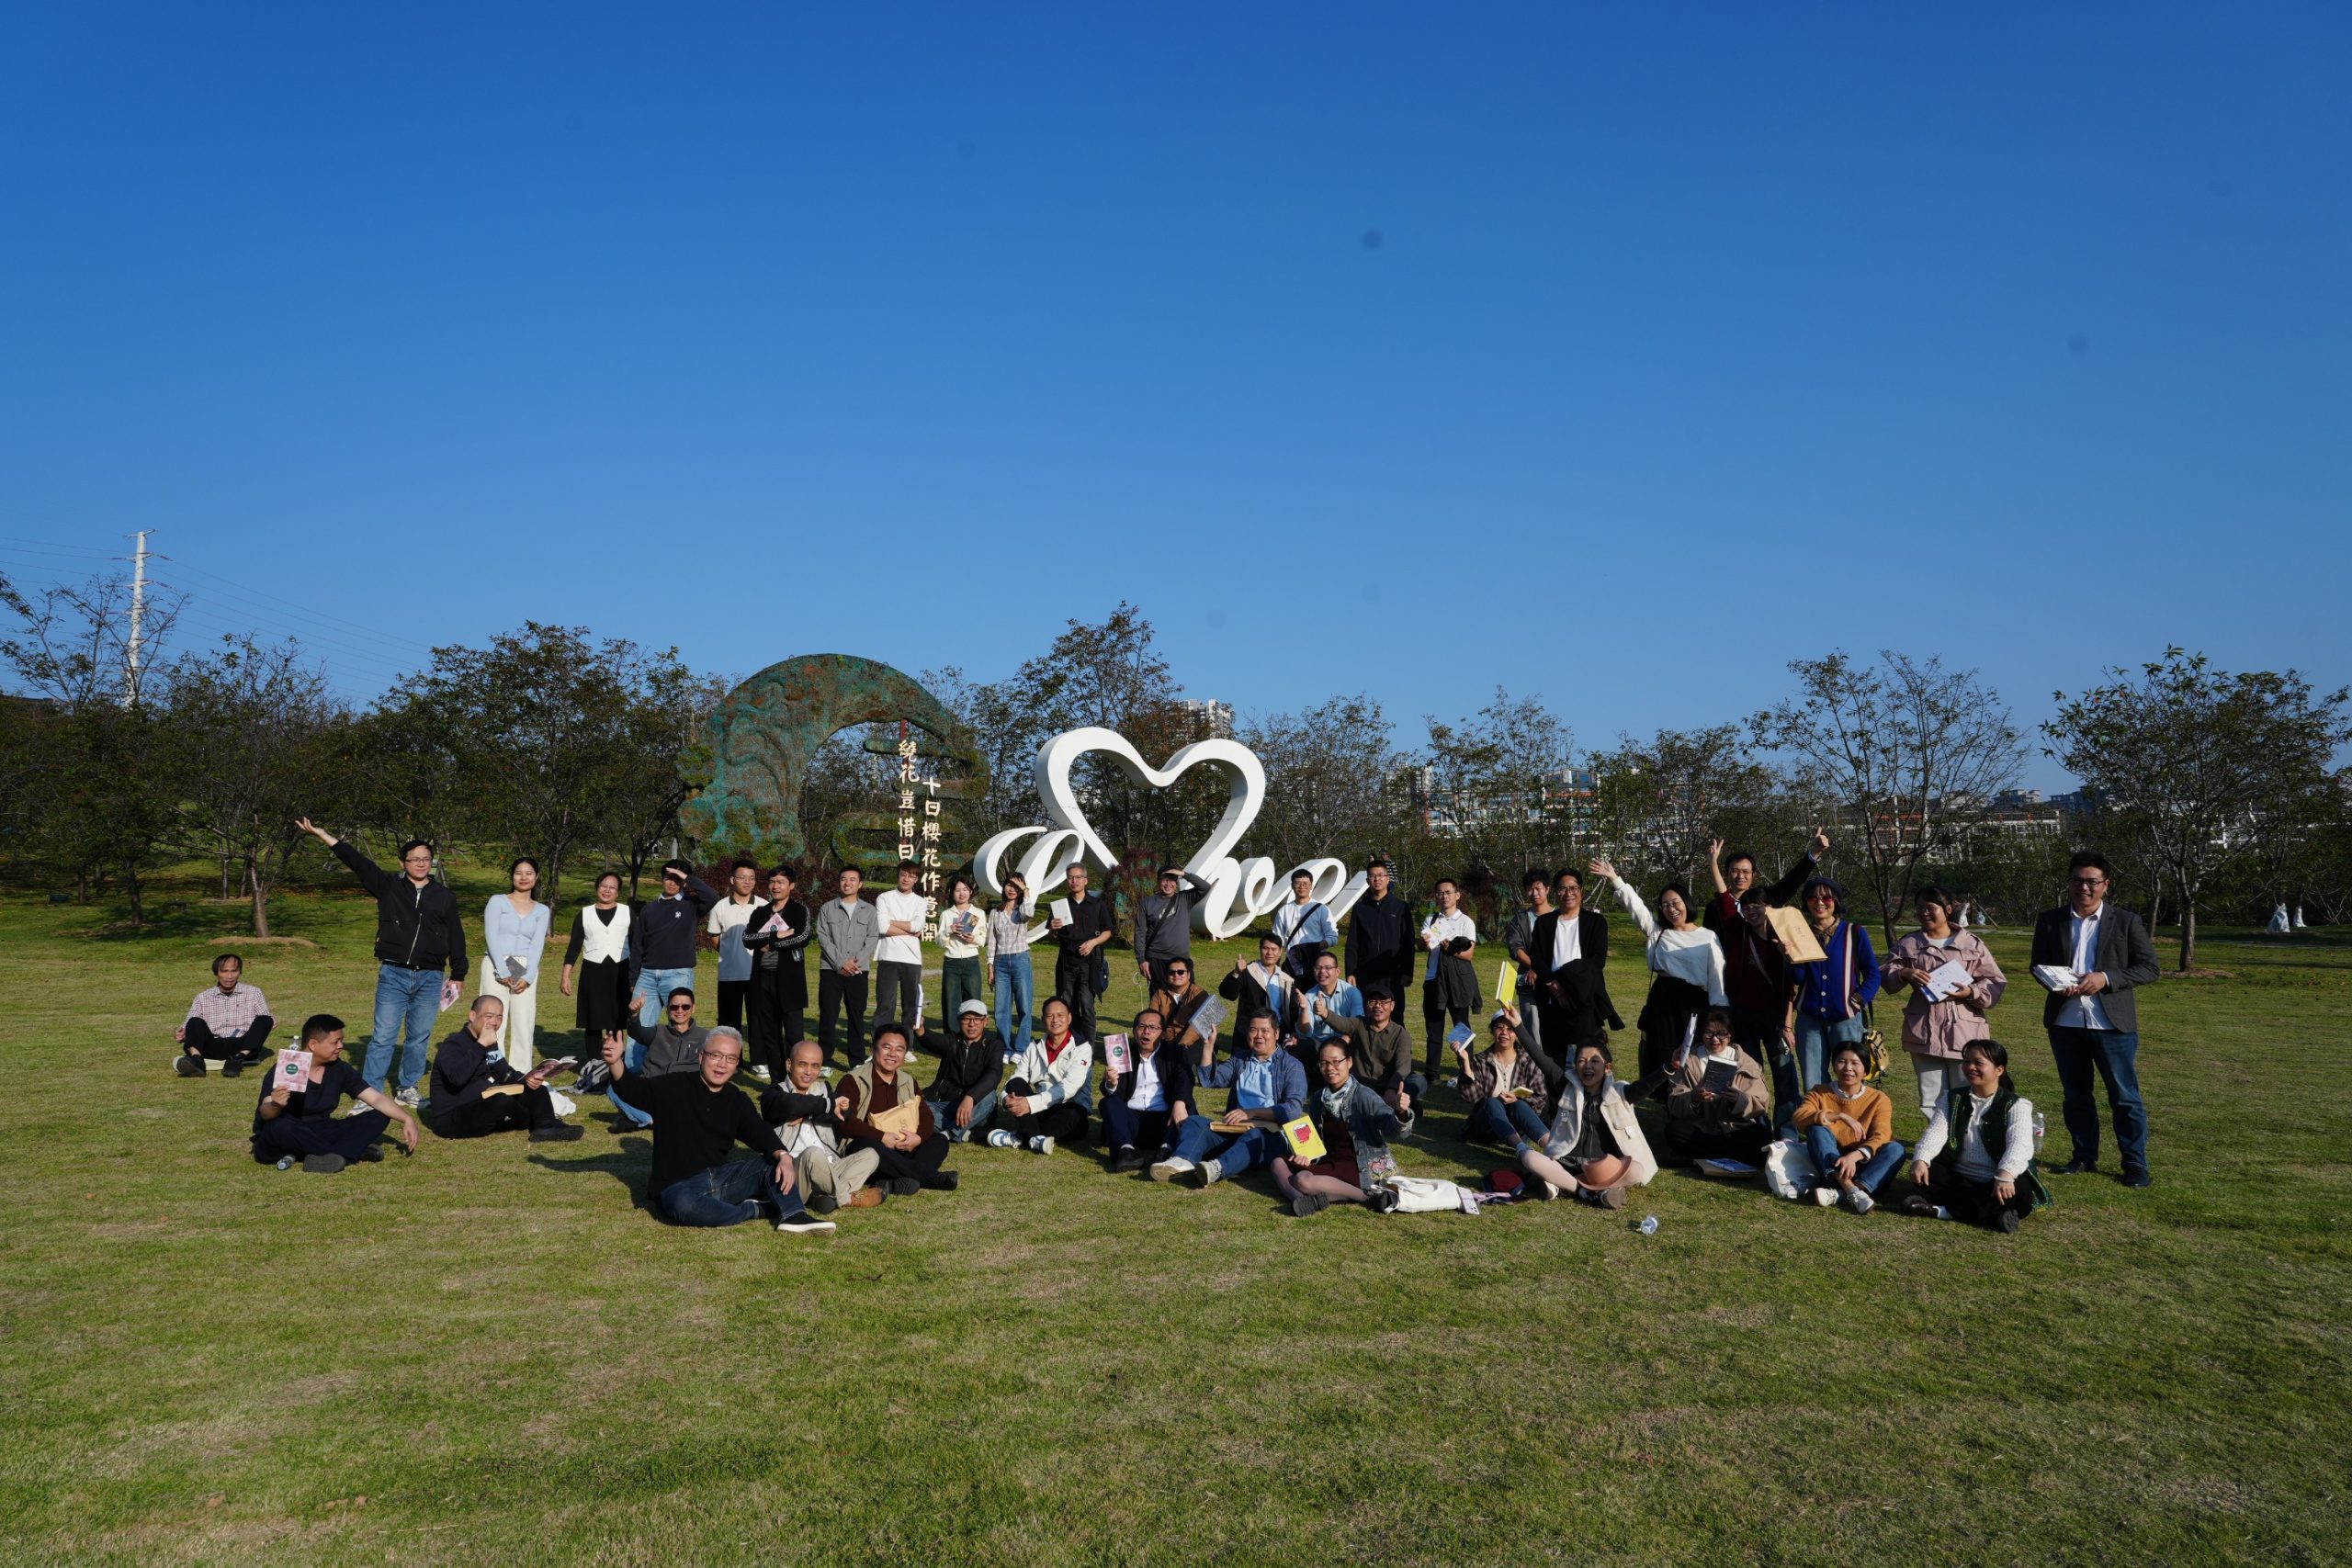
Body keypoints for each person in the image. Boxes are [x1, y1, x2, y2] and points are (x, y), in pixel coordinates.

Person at [296, 818, 468, 1106]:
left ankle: (407, 1087)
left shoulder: (444, 897)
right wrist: (324, 835)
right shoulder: (388, 887)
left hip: (430, 976)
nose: (421, 864)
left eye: (426, 859)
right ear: (403, 863)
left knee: (419, 1037)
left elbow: (456, 935)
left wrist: (458, 973)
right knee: (383, 1036)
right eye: (414, 859)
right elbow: (358, 862)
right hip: (394, 974)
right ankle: (370, 1093)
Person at [598, 1025, 834, 1234]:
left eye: (730, 1058)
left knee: (773, 1163)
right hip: (677, 1186)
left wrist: (783, 1155)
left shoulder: (736, 1100)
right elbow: (633, 1090)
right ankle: (755, 1210)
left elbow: (760, 1132)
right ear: (701, 1056)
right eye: (716, 1055)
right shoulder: (674, 1086)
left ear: (736, 1064)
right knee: (682, 1204)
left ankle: (794, 1215)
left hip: (721, 1179)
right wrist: (615, 1062)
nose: (722, 1064)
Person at [2031, 851, 2160, 1187]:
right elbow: (2037, 965)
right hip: (2066, 1022)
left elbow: (2149, 968)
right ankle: (2084, 1156)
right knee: (2076, 1096)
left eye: (2092, 882)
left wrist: (2105, 978)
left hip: (2112, 1025)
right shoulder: (2051, 920)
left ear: (2105, 885)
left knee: (2124, 1097)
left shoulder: (2126, 921)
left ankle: (2135, 1165)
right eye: (2077, 880)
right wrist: (2054, 982)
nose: (2084, 888)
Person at [1593, 859, 1727, 1095]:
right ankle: (1666, 1099)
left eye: (1675, 903)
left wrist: (1720, 1012)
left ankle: (1692, 1098)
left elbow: (1717, 975)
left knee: (1693, 1052)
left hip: (1693, 1004)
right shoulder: (1659, 932)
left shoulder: (1707, 936)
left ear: (1686, 902)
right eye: (1665, 905)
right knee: (1663, 1052)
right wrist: (1615, 878)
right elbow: (1636, 909)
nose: (1671, 909)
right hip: (1662, 1001)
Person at [1881, 886, 2007, 1122]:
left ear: (1948, 909)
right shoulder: (1909, 944)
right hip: (1923, 1032)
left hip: (1965, 1033)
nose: (1924, 913)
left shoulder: (1971, 943)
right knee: (1931, 1099)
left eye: (1931, 908)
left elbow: (1994, 982)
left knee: (1968, 1094)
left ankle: (1966, 1141)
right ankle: (1938, 1142)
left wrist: (1970, 992)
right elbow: (1886, 975)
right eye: (1919, 908)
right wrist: (1904, 973)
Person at [1704, 832, 1826, 1058]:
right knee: (1748, 1061)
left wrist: (1814, 853)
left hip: (1772, 1002)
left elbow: (1793, 880)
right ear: (1727, 873)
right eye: (1735, 871)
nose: (1740, 876)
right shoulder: (1719, 910)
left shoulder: (1767, 899)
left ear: (1754, 875)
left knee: (1781, 1065)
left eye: (1746, 871)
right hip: (1737, 994)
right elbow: (1711, 941)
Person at [1900, 1040, 2043, 1232]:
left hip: (1997, 1180)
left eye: (1978, 1063)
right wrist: (1921, 1159)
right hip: (1960, 1177)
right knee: (1926, 1172)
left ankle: (1942, 1211)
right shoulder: (1952, 1098)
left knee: (2020, 1188)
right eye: (1967, 1062)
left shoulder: (2017, 1105)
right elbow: (1935, 1132)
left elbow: (2020, 1145)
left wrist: (2005, 1174)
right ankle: (1994, 1215)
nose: (1970, 1067)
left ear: (1999, 1070)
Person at [251, 1013, 421, 1172]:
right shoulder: (288, 1067)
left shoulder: (339, 1069)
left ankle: (326, 1156)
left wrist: (407, 1119)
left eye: (341, 1041)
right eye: (335, 1042)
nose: (341, 1046)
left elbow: (375, 1098)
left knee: (380, 1115)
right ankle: (347, 1153)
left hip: (322, 1129)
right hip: (288, 1129)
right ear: (313, 1044)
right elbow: (265, 1113)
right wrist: (275, 1105)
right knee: (280, 1128)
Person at [1152, 1012, 1306, 1187]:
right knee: (1195, 1122)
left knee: (1255, 1135)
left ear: (1276, 1034)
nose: (1258, 1036)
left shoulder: (1291, 1065)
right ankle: (1182, 1161)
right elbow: (1211, 1080)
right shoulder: (1241, 1059)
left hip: (1270, 1135)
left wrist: (1250, 1113)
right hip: (1235, 1129)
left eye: (1265, 1031)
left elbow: (1293, 1109)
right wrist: (1208, 1046)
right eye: (1253, 1030)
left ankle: (1216, 1168)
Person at [1779, 876, 1882, 1133]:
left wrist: (1859, 998)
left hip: (1845, 1016)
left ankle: (1851, 1131)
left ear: (1836, 901)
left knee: (1850, 1076)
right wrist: (1789, 957)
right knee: (1813, 1080)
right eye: (1813, 897)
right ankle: (1821, 1133)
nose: (1820, 903)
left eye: (1826, 897)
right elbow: (1798, 978)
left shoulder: (1854, 932)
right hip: (1810, 1018)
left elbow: (1872, 972)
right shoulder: (1801, 933)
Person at [1515, 1039, 1657, 1209]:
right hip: (1567, 1163)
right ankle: (1590, 1193)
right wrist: (1518, 1027)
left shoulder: (1620, 1093)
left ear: (1607, 1067)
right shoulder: (1566, 1087)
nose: (1587, 1066)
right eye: (1581, 1061)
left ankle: (1562, 1185)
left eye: (1594, 1061)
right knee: (1529, 1157)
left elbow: (1646, 1086)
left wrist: (1669, 1068)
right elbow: (1542, 1059)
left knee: (1636, 1170)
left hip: (1603, 1168)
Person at [1270, 1041, 1403, 1216]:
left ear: (1349, 1062)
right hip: (1330, 1160)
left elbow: (1392, 1129)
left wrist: (1401, 1113)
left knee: (1302, 1180)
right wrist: (1306, 1156)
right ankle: (1301, 1201)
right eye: (1324, 1063)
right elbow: (1315, 1141)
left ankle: (1368, 1197)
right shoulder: (1318, 1098)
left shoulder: (1364, 1095)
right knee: (1277, 1163)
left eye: (1335, 1062)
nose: (1329, 1068)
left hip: (1359, 1164)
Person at [426, 994, 581, 1143]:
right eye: (489, 1016)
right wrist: (481, 1045)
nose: (494, 1022)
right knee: (501, 1100)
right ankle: (530, 1120)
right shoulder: (453, 1045)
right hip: (453, 1118)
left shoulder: (489, 1042)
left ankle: (546, 1127)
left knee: (538, 1089)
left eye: (499, 1017)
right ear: (472, 1016)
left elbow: (505, 1074)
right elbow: (457, 1078)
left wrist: (528, 1080)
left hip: (481, 1104)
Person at [759, 1039, 881, 1213]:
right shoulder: (773, 1094)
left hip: (830, 1167)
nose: (809, 1071)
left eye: (815, 1066)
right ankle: (846, 1199)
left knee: (871, 1155)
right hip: (794, 1173)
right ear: (789, 1064)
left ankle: (822, 1196)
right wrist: (826, 1106)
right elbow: (793, 1105)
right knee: (813, 1154)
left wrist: (809, 1114)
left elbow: (844, 1114)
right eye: (802, 1064)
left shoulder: (824, 1089)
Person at [834, 1022, 956, 1193]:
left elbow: (926, 1116)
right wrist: (881, 1137)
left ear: (905, 1054)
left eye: (899, 1049)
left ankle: (889, 1181)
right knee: (867, 1145)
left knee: (939, 1140)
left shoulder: (908, 1081)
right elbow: (845, 1122)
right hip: (867, 1148)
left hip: (901, 1146)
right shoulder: (852, 1080)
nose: (892, 1054)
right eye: (886, 1047)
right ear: (873, 1049)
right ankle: (928, 1177)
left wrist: (918, 1138)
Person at [1526, 867, 1620, 1076]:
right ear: (1556, 892)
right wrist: (1555, 986)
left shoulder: (1595, 922)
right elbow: (1537, 958)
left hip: (1584, 996)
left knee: (1588, 1054)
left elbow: (1596, 961)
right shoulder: (1544, 923)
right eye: (1562, 889)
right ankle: (1557, 1095)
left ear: (1581, 891)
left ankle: (1590, 1092)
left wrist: (1567, 984)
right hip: (1551, 996)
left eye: (1573, 888)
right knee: (1554, 1057)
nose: (1568, 893)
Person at [1792, 1041, 1904, 1213]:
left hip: (1867, 1168)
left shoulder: (1879, 1099)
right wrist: (1839, 1116)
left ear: (1865, 1071)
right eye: (1841, 1061)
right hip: (1832, 1167)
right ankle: (1850, 1189)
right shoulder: (1819, 1092)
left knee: (1896, 1149)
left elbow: (1881, 1135)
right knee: (1817, 1130)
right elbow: (1799, 1118)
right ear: (1834, 1066)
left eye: (1855, 1063)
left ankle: (1843, 1193)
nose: (1848, 1068)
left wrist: (1854, 1156)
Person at [1661, 1010, 1773, 1168]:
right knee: (1674, 1131)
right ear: (1701, 1034)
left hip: (1733, 1128)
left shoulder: (1747, 1063)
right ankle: (1734, 1156)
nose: (1715, 1039)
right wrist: (1693, 1098)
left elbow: (1761, 1104)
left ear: (1730, 1035)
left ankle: (1696, 1157)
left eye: (1721, 1034)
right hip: (1701, 1127)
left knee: (1762, 1135)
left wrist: (1739, 1100)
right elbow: (1674, 1102)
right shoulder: (1689, 1060)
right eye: (1708, 1033)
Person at [987, 995, 1093, 1155]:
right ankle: (1035, 1139)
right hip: (1040, 1109)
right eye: (1050, 1016)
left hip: (1068, 1109)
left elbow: (1069, 1089)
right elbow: (1017, 1077)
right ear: (1043, 1020)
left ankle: (1021, 1135)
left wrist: (1029, 1103)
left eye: (1060, 1015)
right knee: (1016, 1084)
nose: (1055, 1020)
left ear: (1070, 1018)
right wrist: (1005, 1098)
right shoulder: (1034, 1046)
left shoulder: (1083, 1048)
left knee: (1074, 1113)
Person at [480, 857, 553, 1071]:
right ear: (512, 876)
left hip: (525, 969)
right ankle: (494, 1070)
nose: (523, 877)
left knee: (523, 1022)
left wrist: (528, 976)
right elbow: (491, 935)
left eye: (529, 873)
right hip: (496, 965)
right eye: (518, 873)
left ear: (536, 878)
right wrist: (502, 970)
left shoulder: (542, 910)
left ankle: (521, 1071)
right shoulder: (498, 901)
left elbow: (537, 944)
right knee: (493, 1020)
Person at [741, 866, 813, 1086]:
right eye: (772, 881)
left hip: (790, 981)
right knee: (770, 1034)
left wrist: (769, 943)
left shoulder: (799, 910)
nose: (775, 886)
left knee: (794, 1036)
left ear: (792, 885)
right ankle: (778, 1081)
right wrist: (778, 935)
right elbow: (747, 939)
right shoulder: (760, 912)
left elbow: (802, 937)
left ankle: (798, 1082)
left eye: (781, 882)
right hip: (762, 979)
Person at [1320, 983, 1427, 1129]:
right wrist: (1325, 1013)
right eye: (1373, 1002)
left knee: (1419, 1081)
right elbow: (1342, 1024)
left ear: (1392, 1006)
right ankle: (1399, 1106)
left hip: (1388, 1086)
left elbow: (1402, 1067)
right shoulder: (1358, 1023)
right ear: (1367, 1006)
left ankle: (1402, 1102)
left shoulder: (1401, 1034)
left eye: (1383, 1002)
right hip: (1361, 1086)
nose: (1377, 1006)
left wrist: (1391, 1089)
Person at [629, 857, 718, 1030]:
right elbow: (638, 946)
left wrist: (686, 876)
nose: (672, 883)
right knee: (638, 1027)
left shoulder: (691, 904)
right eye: (669, 878)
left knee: (680, 1025)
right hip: (647, 976)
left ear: (684, 882)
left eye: (677, 879)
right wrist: (633, 979)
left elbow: (712, 897)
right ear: (662, 879)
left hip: (678, 975)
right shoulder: (649, 909)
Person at [1100, 1009, 1194, 1170]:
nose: (1146, 1031)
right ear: (1134, 1031)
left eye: (1153, 1027)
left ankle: (1166, 1150)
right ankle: (1126, 1151)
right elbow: (1114, 1094)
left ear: (1162, 1033)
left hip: (1165, 1121)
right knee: (1108, 1102)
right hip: (1131, 1120)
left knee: (1186, 1104)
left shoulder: (1175, 1053)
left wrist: (1179, 1103)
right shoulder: (1122, 1052)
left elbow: (1185, 1080)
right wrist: (1111, 1083)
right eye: (1141, 1026)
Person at [605, 987, 710, 1132]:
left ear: (693, 1009)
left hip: (683, 1097)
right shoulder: (658, 1032)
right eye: (674, 1007)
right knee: (613, 1088)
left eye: (685, 1006)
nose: (680, 1011)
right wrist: (634, 1015)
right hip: (652, 1092)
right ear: (667, 1010)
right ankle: (652, 1121)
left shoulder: (706, 1037)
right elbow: (637, 1032)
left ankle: (639, 1119)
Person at [1452, 1006, 1551, 1148]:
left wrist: (1517, 1099)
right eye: (1499, 1027)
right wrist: (1466, 1063)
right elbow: (1469, 1097)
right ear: (1492, 1030)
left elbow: (1541, 1098)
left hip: (1518, 1124)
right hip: (1487, 1128)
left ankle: (1552, 1147)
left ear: (1517, 1034)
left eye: (1510, 1029)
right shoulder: (1480, 1060)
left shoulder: (1530, 1062)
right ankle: (1521, 1148)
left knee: (1519, 1104)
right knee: (1492, 1103)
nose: (1504, 1032)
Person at [560, 871, 636, 1039]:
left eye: (612, 887)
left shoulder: (627, 912)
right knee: (592, 1021)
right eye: (603, 886)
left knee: (617, 1021)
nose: (607, 890)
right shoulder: (584, 914)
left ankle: (615, 1055)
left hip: (621, 971)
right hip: (592, 972)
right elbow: (574, 948)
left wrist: (637, 976)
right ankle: (594, 1056)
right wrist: (565, 976)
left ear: (618, 892)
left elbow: (636, 945)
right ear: (597, 888)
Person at [815, 866, 878, 1067]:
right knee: (828, 1014)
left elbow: (872, 938)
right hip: (830, 969)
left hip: (859, 970)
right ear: (839, 882)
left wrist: (854, 962)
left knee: (856, 1015)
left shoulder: (869, 910)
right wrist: (841, 962)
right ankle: (825, 1060)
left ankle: (856, 1060)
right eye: (843, 879)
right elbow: (823, 938)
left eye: (852, 879)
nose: (847, 883)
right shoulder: (827, 908)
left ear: (860, 884)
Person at [916, 999, 1002, 1143]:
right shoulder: (952, 1041)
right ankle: (966, 1133)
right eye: (966, 1019)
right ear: (958, 1021)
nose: (972, 1024)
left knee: (990, 1096)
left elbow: (994, 1074)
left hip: (976, 1109)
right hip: (948, 1105)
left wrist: (971, 1097)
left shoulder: (994, 1046)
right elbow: (932, 1040)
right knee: (916, 1107)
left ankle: (949, 1133)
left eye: (977, 1019)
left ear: (985, 1022)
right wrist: (920, 1030)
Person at [1418, 877, 1478, 1077]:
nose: (1443, 896)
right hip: (1433, 979)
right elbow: (1423, 946)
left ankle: (1466, 1070)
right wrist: (1423, 942)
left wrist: (1451, 949)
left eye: (1448, 892)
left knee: (1461, 1027)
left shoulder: (1465, 922)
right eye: (1440, 893)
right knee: (1434, 1028)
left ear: (1457, 895)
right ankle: (1432, 1074)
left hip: (1457, 981)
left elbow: (1469, 954)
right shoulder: (1431, 919)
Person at [175, 953, 273, 1077]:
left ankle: (237, 1060)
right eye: (224, 971)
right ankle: (196, 1060)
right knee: (194, 1021)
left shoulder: (254, 992)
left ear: (240, 972)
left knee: (265, 1019)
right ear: (216, 973)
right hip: (213, 1044)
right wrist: (182, 1032)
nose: (230, 976)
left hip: (242, 1044)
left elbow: (264, 1017)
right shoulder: (203, 997)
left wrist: (270, 1020)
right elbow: (189, 1021)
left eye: (234, 971)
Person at [1046, 863, 1113, 1044]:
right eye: (1070, 877)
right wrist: (1052, 929)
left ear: (1085, 880)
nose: (1074, 881)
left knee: (1087, 1005)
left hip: (1089, 963)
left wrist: (1093, 942)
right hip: (1066, 963)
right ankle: (1072, 1044)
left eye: (1078, 877)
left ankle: (1088, 1047)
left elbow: (1107, 931)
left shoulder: (1096, 905)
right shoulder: (1060, 905)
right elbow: (1052, 936)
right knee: (1068, 1005)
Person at [705, 858, 767, 1038]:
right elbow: (715, 938)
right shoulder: (720, 907)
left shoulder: (764, 906)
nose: (747, 882)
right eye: (742, 877)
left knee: (759, 1023)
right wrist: (731, 953)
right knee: (728, 1026)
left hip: (757, 974)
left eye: (751, 878)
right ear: (732, 880)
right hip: (729, 974)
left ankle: (758, 1056)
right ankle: (730, 1055)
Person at [1342, 856, 1415, 1010]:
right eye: (1373, 876)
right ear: (1367, 880)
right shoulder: (1360, 908)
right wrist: (1350, 972)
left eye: (1381, 875)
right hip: (1365, 974)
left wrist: (1408, 971)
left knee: (1395, 1015)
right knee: (1366, 1014)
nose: (1377, 879)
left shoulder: (1401, 907)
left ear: (1388, 879)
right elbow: (1353, 943)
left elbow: (1408, 942)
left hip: (1393, 974)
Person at [872, 858, 930, 1034]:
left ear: (916, 879)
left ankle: (907, 1045)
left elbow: (917, 926)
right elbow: (882, 927)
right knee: (885, 1005)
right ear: (898, 876)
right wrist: (909, 933)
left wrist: (891, 922)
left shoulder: (920, 902)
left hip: (911, 958)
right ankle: (881, 1042)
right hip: (888, 956)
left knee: (910, 1006)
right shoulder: (884, 898)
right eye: (903, 874)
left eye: (911, 876)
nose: (906, 879)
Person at [988, 874, 1038, 1065]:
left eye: (1016, 886)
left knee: (1024, 1006)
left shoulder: (1022, 909)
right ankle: (1005, 1047)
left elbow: (1030, 913)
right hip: (1000, 962)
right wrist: (990, 966)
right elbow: (992, 941)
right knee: (1001, 1008)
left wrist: (1026, 891)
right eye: (1009, 885)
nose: (1011, 889)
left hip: (1020, 959)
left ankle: (1021, 1047)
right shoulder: (996, 912)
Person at [1503, 869, 1553, 1055]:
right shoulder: (1521, 919)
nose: (1534, 893)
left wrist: (1540, 968)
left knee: (1558, 1030)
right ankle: (1535, 1068)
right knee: (1533, 1030)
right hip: (1528, 983)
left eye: (1538, 888)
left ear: (1547, 889)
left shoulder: (1560, 916)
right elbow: (1515, 947)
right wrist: (1534, 966)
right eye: (1530, 889)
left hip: (1556, 983)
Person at [1134, 864, 1206, 992]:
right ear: (1158, 881)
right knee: (1160, 999)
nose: (1168, 884)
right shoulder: (1147, 903)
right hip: (1156, 959)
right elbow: (1139, 932)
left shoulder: (1185, 898)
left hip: (1182, 959)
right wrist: (1141, 960)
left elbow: (1205, 887)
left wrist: (1184, 874)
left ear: (1177, 882)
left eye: (1172, 880)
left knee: (1187, 999)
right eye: (1164, 880)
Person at [1220, 935, 1298, 1043]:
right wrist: (1236, 973)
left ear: (1280, 952)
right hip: (1250, 1035)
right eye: (1265, 948)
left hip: (1278, 1034)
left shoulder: (1286, 979)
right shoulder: (1248, 971)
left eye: (1274, 949)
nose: (1269, 953)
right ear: (1260, 949)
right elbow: (1228, 994)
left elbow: (1292, 1009)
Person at [936, 874, 988, 1035]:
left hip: (971, 961)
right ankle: (952, 1039)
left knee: (973, 1000)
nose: (962, 893)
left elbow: (983, 939)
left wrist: (974, 938)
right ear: (952, 893)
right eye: (957, 890)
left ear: (970, 892)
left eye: (965, 889)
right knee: (951, 1001)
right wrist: (949, 930)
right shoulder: (947, 914)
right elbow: (939, 942)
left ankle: (973, 1037)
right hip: (951, 962)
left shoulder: (978, 913)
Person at [1272, 869, 1339, 984]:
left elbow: (1333, 937)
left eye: (1305, 883)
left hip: (1316, 963)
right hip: (1292, 963)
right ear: (1292, 885)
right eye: (1298, 883)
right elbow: (1277, 941)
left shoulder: (1321, 909)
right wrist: (1275, 966)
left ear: (1311, 886)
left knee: (1315, 993)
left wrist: (1313, 947)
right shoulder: (1284, 911)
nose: (1302, 886)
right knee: (1291, 993)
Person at [1148, 956, 1224, 1058]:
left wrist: (1181, 1046)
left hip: (1191, 1043)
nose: (1176, 975)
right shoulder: (1159, 994)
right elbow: (1152, 1020)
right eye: (1172, 972)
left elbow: (1197, 1027)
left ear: (1188, 975)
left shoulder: (1199, 994)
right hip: (1166, 1040)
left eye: (1180, 972)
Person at [1294, 952, 1363, 1054]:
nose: (1322, 971)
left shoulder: (1352, 992)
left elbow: (1358, 1024)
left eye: (1328, 968)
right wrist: (1303, 1010)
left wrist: (1341, 1044)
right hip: (1319, 1044)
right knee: (1303, 1046)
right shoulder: (1309, 996)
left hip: (1345, 1042)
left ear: (1337, 972)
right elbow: (1306, 1033)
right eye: (1318, 968)